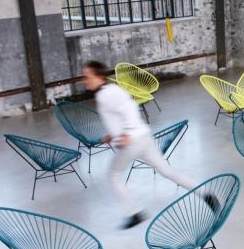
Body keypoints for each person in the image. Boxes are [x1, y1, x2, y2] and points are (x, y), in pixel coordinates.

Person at [81, 61, 217, 229]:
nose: (84, 80)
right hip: (143, 137)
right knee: (166, 171)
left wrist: (127, 134)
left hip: (132, 142)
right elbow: (120, 114)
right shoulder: (111, 90)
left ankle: (135, 212)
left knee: (113, 176)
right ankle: (206, 195)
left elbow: (130, 108)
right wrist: (113, 135)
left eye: (87, 76)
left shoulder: (105, 94)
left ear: (99, 77)